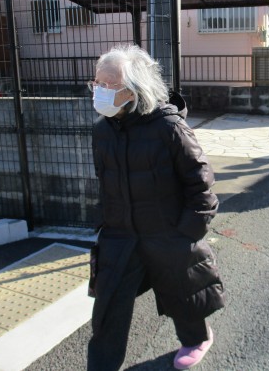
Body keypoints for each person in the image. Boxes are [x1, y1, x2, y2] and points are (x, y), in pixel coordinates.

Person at [87, 44, 225, 371]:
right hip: (120, 235)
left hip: (167, 232)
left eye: (109, 85)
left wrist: (186, 233)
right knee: (108, 307)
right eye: (97, 84)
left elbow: (200, 184)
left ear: (134, 89)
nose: (100, 91)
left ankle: (196, 338)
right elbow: (105, 181)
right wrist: (106, 222)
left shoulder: (169, 127)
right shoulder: (102, 131)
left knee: (182, 293)